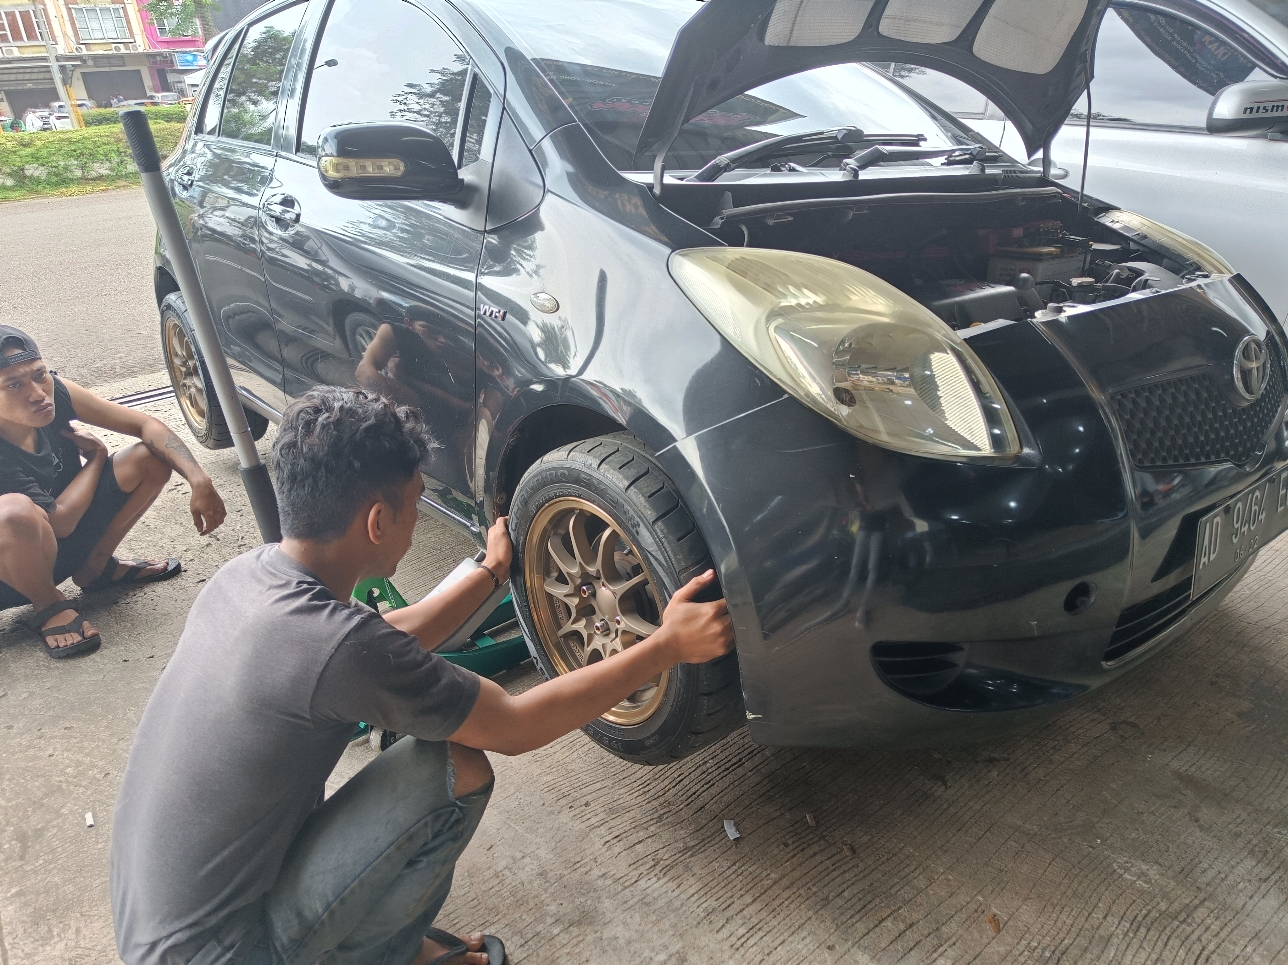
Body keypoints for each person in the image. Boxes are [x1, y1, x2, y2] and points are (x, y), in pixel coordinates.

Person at [110, 386, 734, 965]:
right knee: (455, 768)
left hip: (159, 927)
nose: (415, 517)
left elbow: (388, 640)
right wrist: (665, 647)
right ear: (378, 522)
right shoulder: (335, 649)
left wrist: (487, 575)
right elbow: (513, 725)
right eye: (412, 506)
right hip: (222, 952)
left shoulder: (250, 577)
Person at [0, 326, 226, 657]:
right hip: (12, 577)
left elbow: (144, 424)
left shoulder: (55, 395)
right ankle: (48, 606)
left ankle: (96, 567)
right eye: (13, 385)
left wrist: (197, 478)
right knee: (14, 512)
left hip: (63, 542)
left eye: (39, 375)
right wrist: (96, 459)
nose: (37, 393)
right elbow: (59, 522)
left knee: (149, 458)